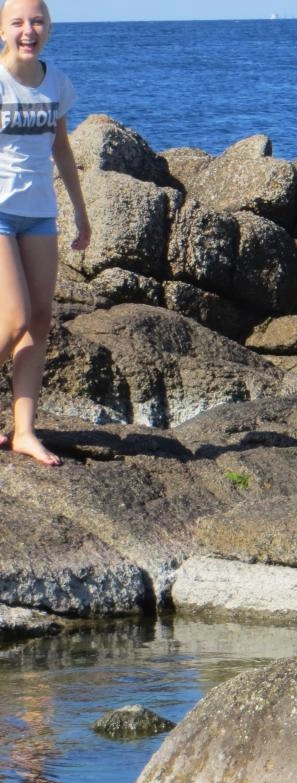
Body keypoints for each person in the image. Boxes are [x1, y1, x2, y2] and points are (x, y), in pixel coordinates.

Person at [0, 0, 90, 466]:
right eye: (17, 22)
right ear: (2, 29)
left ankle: (24, 432)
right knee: (12, 318)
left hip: (40, 215)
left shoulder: (56, 82)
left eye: (36, 21)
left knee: (38, 321)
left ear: (49, 28)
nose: (27, 30)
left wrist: (80, 211)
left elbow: (61, 147)